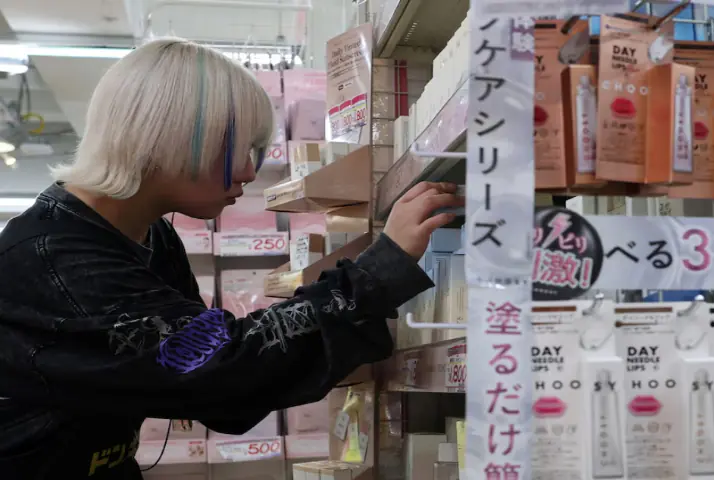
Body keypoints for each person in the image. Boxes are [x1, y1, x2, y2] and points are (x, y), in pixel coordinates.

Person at [0, 38, 462, 479]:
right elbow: (220, 366)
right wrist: (377, 273)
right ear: (170, 135)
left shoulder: (147, 235)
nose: (247, 171)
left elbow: (212, 372)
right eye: (239, 149)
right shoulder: (54, 257)